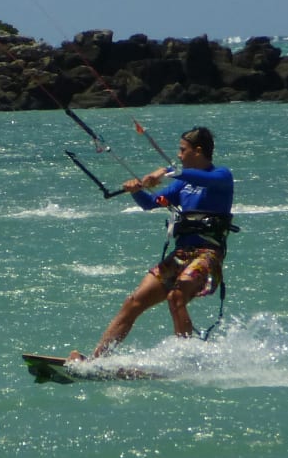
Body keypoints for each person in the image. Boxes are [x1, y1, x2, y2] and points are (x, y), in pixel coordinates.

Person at [71, 126, 234, 359]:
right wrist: (136, 190)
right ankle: (96, 360)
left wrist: (166, 172)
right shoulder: (182, 184)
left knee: (176, 296)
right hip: (181, 254)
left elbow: (201, 178)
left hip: (208, 255)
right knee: (133, 302)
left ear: (198, 151)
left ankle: (186, 359)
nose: (178, 154)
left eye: (183, 150)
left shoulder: (222, 176)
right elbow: (151, 203)